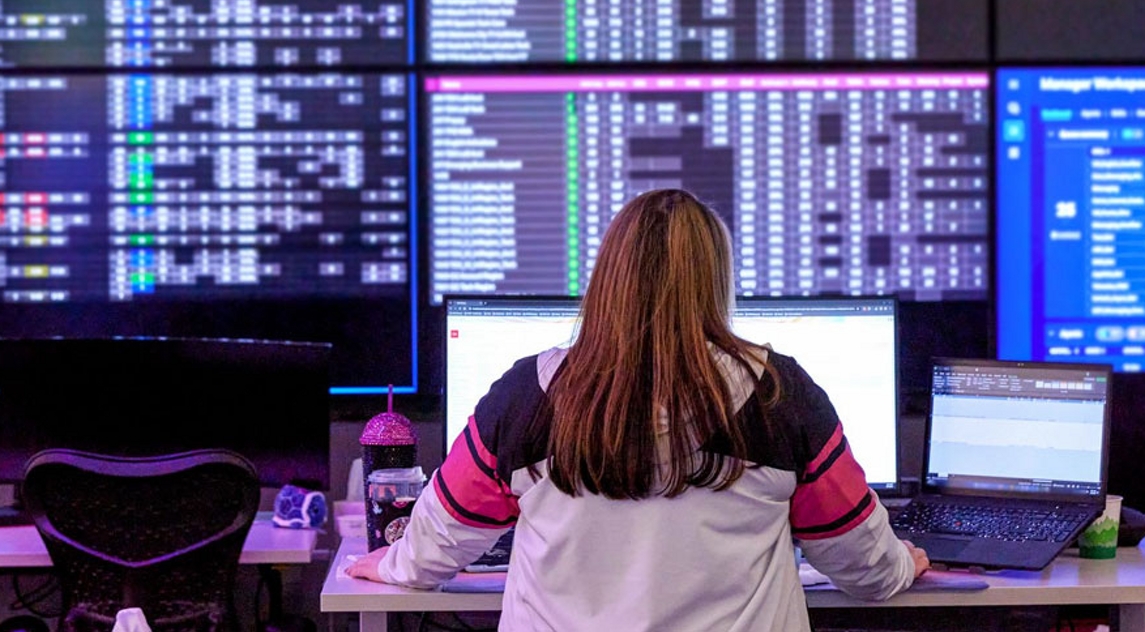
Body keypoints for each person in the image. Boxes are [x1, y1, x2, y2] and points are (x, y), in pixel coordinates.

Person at [346, 188, 928, 630]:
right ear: (717, 280)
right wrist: (903, 562)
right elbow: (866, 569)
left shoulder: (526, 396)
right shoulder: (780, 395)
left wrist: (395, 565)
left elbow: (436, 544)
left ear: (609, 278)